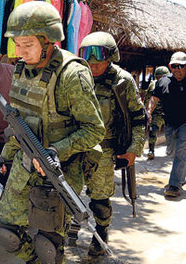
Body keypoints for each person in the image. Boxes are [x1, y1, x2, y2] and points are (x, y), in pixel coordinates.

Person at [0, 1, 105, 264]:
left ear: (48, 41)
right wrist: (7, 157)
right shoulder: (21, 70)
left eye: (27, 45)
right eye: (16, 45)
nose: (20, 52)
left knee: (49, 245)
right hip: (25, 162)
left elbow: (94, 130)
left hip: (61, 168)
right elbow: (17, 123)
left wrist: (57, 150)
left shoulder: (71, 74)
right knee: (5, 232)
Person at [78, 32, 146, 256]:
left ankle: (100, 233)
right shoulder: (77, 76)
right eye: (89, 60)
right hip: (76, 146)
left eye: (99, 61)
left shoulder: (122, 81)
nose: (93, 65)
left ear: (111, 57)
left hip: (104, 150)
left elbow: (138, 117)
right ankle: (68, 228)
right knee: (66, 193)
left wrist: (134, 149)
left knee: (99, 199)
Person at [147, 51, 186, 197]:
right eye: (174, 66)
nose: (177, 69)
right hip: (170, 123)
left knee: (182, 151)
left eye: (180, 66)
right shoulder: (163, 81)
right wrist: (148, 112)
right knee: (173, 151)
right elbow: (154, 98)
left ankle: (174, 185)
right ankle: (181, 176)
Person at [145, 66, 170, 159]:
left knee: (172, 132)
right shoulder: (153, 85)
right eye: (159, 77)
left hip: (168, 112)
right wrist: (147, 112)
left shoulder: (171, 84)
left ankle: (171, 149)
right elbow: (148, 99)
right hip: (156, 113)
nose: (161, 79)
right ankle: (151, 150)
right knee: (153, 131)